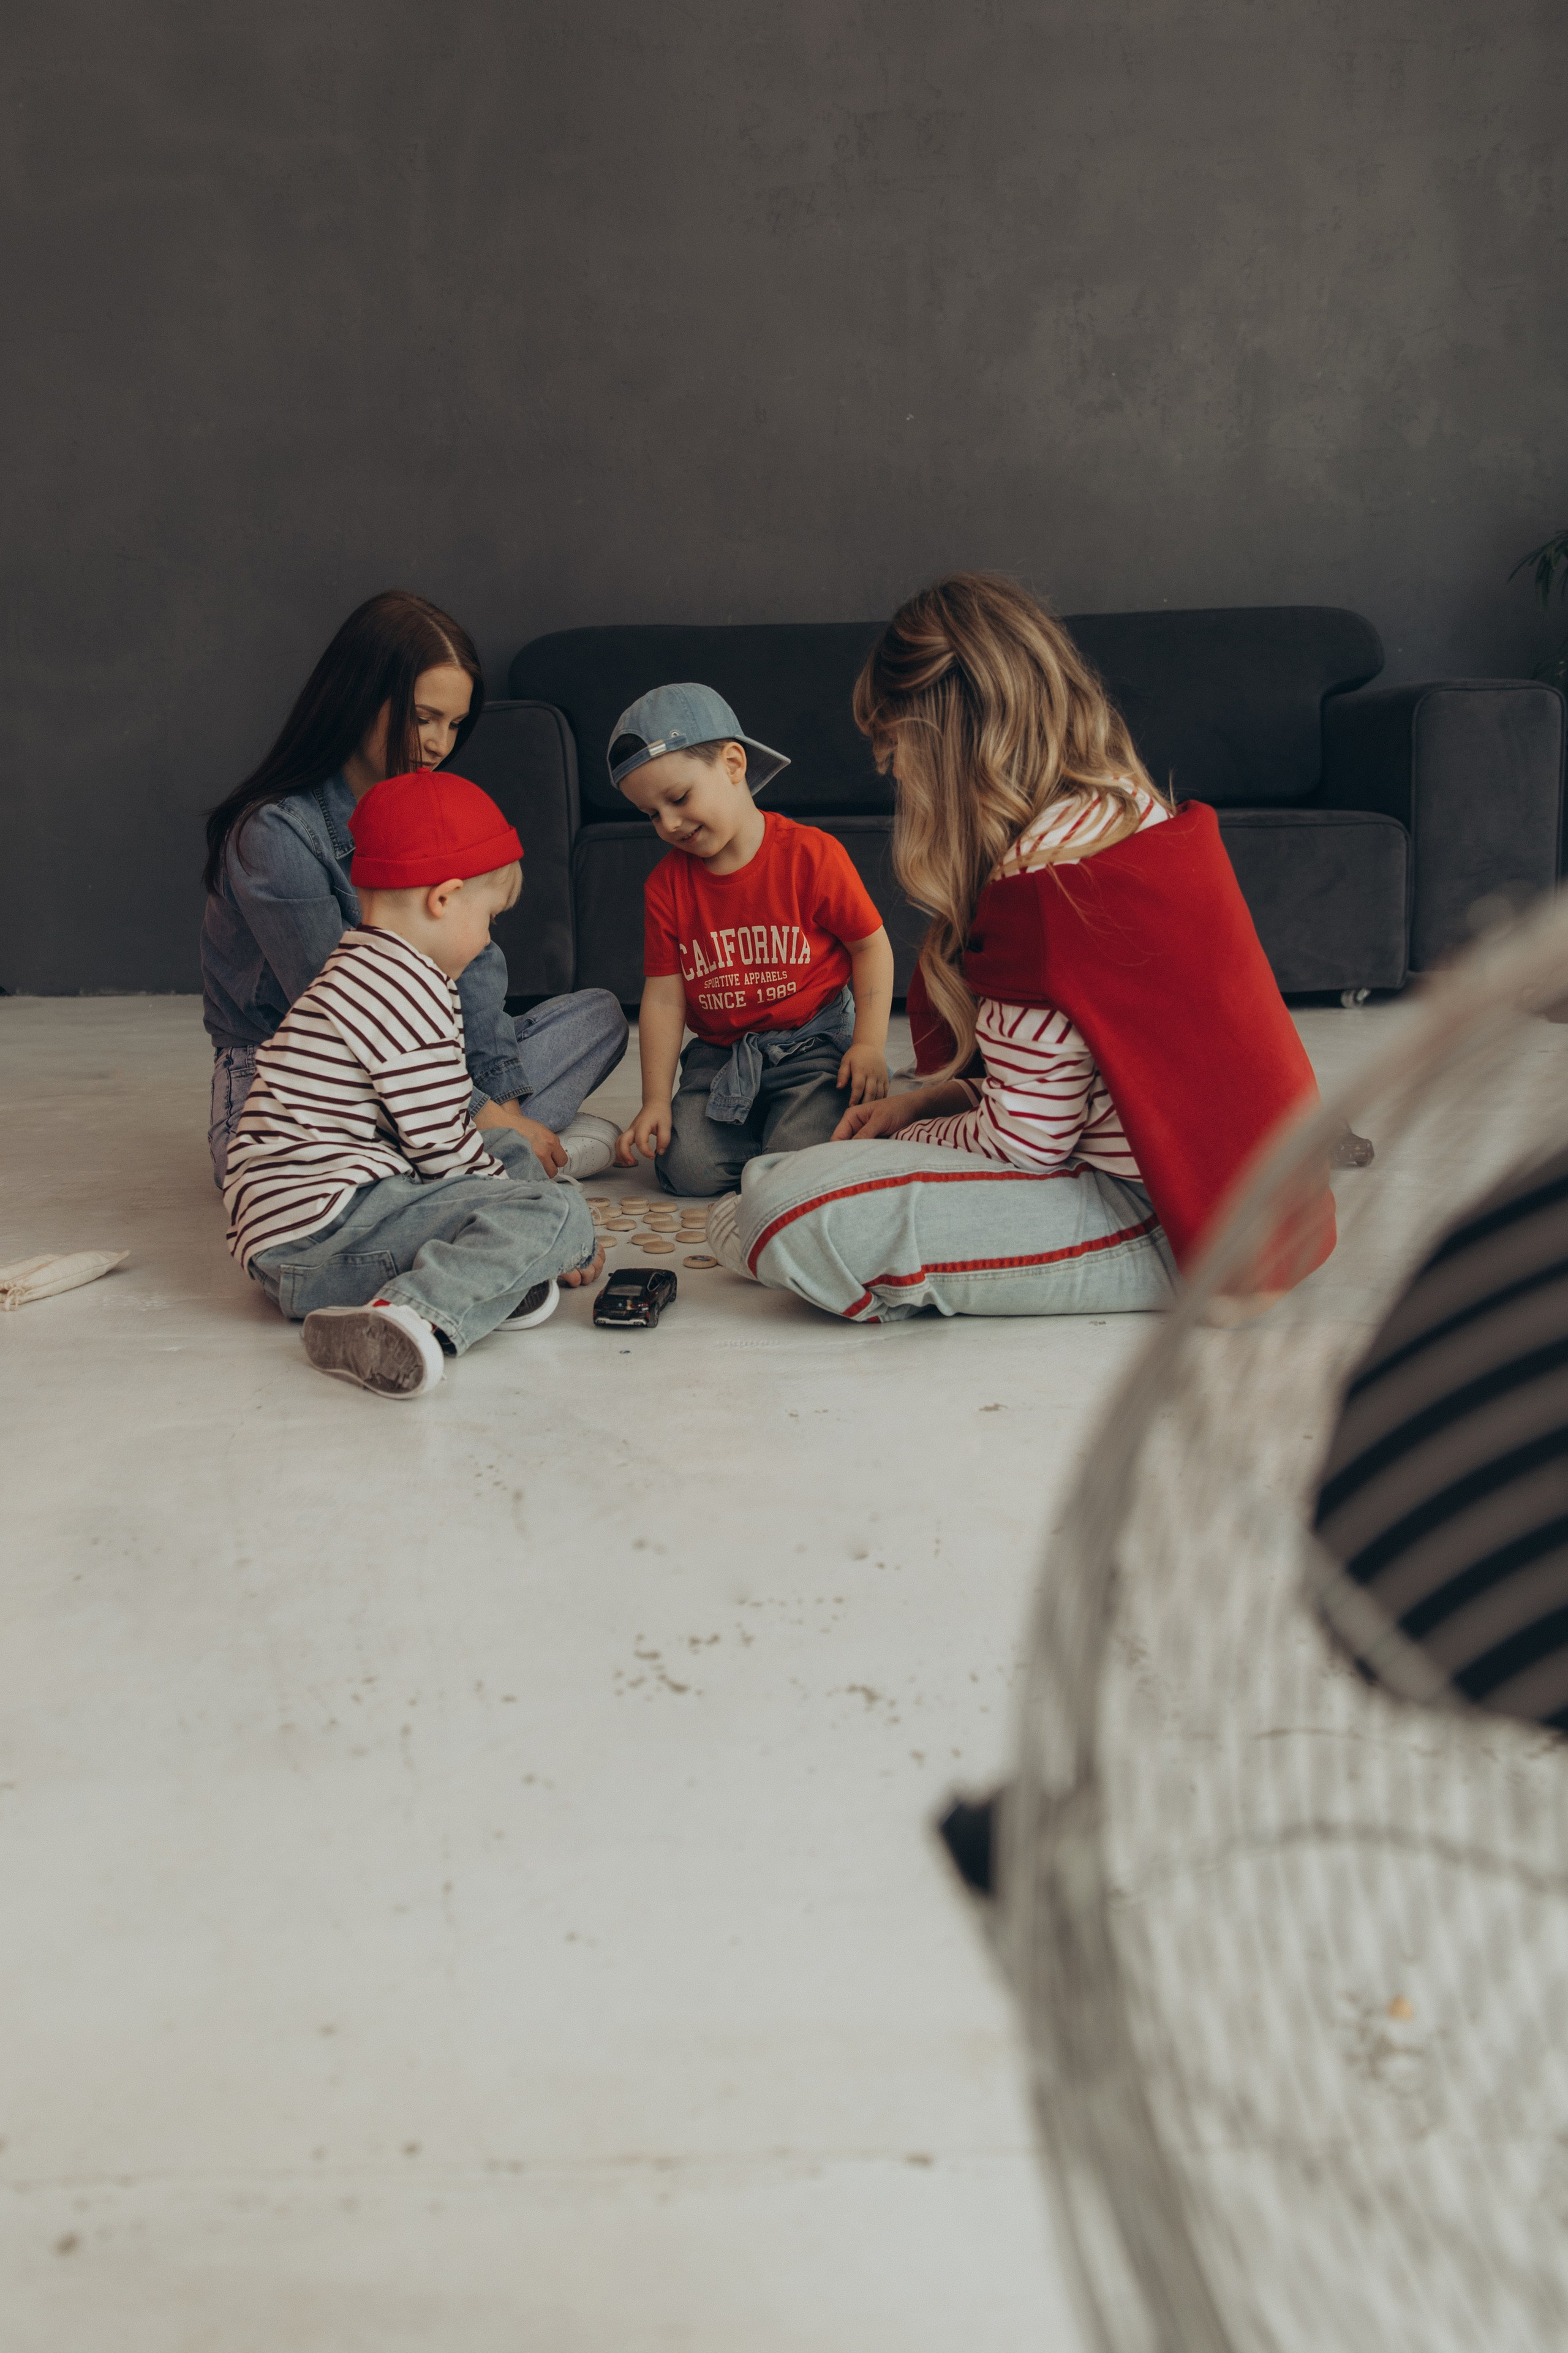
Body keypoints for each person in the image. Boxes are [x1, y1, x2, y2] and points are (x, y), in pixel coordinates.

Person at [704, 575, 1335, 1318]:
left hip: (1175, 1229)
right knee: (820, 1163)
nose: (888, 770)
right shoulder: (1121, 804)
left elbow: (1025, 1148)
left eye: (894, 745)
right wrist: (944, 1098)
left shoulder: (1042, 879)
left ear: (946, 736)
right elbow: (1089, 1073)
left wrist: (929, 1126)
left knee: (774, 1209)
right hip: (1250, 1204)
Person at [201, 589, 627, 1188]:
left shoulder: (425, 807)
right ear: (358, 699)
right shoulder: (276, 832)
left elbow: (475, 967)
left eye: (454, 724)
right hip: (307, 1086)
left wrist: (498, 1103)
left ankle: (469, 1154)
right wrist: (489, 1118)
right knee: (327, 1180)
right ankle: (494, 1154)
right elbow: (353, 1016)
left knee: (597, 1018)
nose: (439, 745)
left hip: (424, 1060)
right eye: (423, 718)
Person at [224, 769, 605, 1399]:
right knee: (557, 1210)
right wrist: (559, 1234)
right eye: (488, 918)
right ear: (444, 898)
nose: (486, 937)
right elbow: (442, 1153)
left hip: (300, 1224)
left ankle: (493, 1275)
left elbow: (446, 1135)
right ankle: (405, 1315)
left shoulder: (360, 962)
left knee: (512, 1155)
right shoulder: (408, 991)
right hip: (323, 1238)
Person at [609, 682, 895, 1196]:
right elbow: (664, 996)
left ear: (734, 764)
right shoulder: (665, 887)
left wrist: (870, 1045)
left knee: (803, 1168)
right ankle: (769, 1144)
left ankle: (787, 1145)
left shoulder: (812, 855)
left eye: (678, 798)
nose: (670, 824)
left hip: (812, 1046)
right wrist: (655, 1099)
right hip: (720, 1055)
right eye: (652, 814)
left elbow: (869, 945)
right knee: (686, 1167)